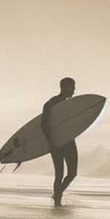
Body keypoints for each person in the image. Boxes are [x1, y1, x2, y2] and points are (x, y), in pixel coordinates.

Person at [41, 76, 79, 207]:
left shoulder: (72, 104)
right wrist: (51, 142)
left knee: (72, 173)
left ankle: (57, 194)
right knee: (60, 173)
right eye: (72, 88)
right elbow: (44, 124)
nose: (74, 91)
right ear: (65, 87)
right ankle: (57, 201)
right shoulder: (51, 103)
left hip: (68, 141)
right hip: (57, 143)